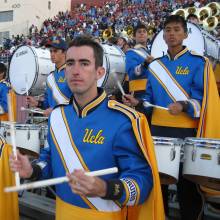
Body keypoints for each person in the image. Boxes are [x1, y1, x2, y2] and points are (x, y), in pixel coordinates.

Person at [9, 36, 164, 220]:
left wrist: (106, 188)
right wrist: (32, 170)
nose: (75, 71)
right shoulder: (57, 116)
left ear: (99, 72)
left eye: (84, 63)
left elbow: (142, 183)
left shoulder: (125, 120)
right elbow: (49, 161)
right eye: (70, 63)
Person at [123, 15, 220, 219]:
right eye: (168, 30)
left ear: (185, 34)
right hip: (158, 131)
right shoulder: (155, 65)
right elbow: (149, 100)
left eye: (177, 29)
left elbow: (203, 100)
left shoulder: (198, 62)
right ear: (163, 35)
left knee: (188, 188)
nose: (172, 34)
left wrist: (184, 105)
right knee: (159, 185)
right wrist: (138, 103)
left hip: (187, 131)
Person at [26, 38, 72, 116]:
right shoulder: (50, 77)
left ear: (64, 52)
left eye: (55, 51)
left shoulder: (73, 73)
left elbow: (79, 103)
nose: (52, 54)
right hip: (53, 124)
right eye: (51, 51)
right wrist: (37, 103)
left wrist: (56, 110)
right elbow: (48, 103)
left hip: (69, 123)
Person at [125, 23, 153, 114]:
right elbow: (132, 72)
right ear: (134, 36)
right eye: (139, 32)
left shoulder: (150, 52)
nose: (142, 33)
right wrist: (144, 64)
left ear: (147, 35)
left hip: (152, 92)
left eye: (144, 32)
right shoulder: (131, 53)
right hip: (138, 94)